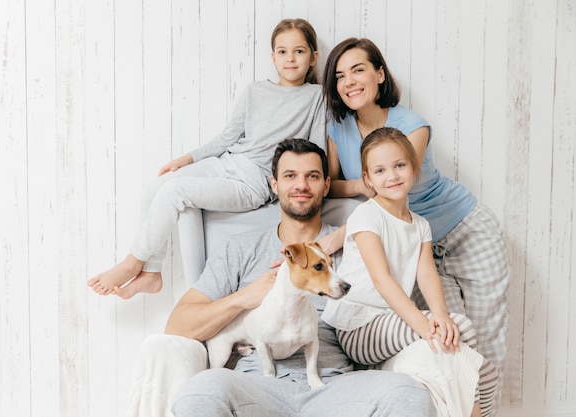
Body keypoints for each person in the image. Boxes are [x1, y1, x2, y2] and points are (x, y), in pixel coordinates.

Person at [124, 139, 436, 417]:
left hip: (333, 384)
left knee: (407, 394)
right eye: (290, 176)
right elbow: (178, 325)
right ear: (274, 184)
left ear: (327, 185)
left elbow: (396, 283)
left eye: (312, 176)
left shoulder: (356, 244)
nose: (301, 184)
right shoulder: (242, 249)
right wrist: (243, 298)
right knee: (201, 391)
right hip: (256, 385)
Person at [319, 37, 510, 406]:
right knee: (449, 333)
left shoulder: (413, 126)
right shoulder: (337, 126)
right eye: (340, 75)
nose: (349, 81)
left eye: (358, 69)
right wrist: (360, 184)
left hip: (461, 228)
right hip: (415, 250)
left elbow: (390, 191)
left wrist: (337, 237)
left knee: (482, 335)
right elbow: (333, 186)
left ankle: (484, 411)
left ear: (379, 74)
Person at [87, 18, 327, 299]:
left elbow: (317, 148)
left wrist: (311, 186)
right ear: (273, 57)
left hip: (253, 183)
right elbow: (229, 136)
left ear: (313, 57)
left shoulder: (316, 96)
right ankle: (151, 272)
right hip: (226, 162)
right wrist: (188, 158)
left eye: (299, 51)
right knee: (154, 188)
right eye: (283, 52)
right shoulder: (255, 91)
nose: (290, 59)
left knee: (175, 192)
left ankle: (132, 261)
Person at [321, 127, 497, 417]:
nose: (392, 176)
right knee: (461, 329)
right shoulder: (366, 216)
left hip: (391, 324)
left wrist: (439, 313)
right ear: (368, 179)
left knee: (483, 370)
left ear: (414, 168)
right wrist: (424, 325)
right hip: (359, 326)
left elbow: (427, 274)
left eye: (399, 165)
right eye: (380, 170)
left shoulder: (420, 224)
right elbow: (381, 279)